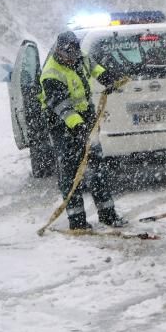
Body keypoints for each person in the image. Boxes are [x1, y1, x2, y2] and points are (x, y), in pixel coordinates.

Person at [38, 31, 127, 230]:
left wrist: (109, 79)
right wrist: (78, 127)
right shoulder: (51, 74)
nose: (72, 60)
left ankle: (108, 215)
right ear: (59, 52)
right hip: (61, 125)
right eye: (68, 56)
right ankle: (77, 223)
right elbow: (62, 107)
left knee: (97, 168)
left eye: (74, 55)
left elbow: (96, 68)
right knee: (71, 174)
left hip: (85, 119)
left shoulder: (81, 57)